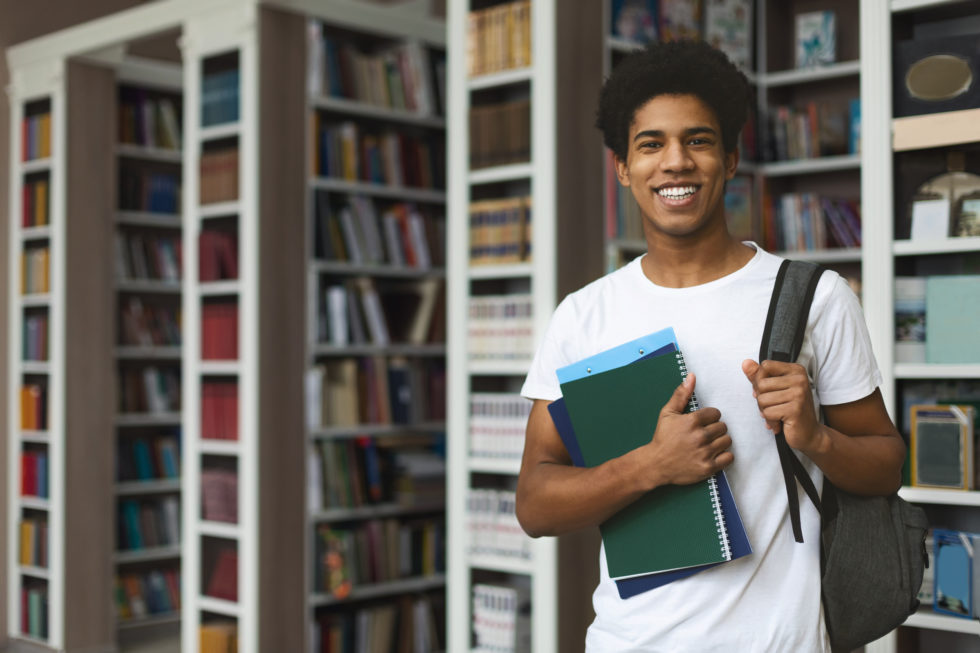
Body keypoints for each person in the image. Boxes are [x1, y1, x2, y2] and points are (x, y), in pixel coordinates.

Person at [515, 39, 906, 652]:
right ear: (623, 166)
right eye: (651, 144)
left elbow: (887, 463)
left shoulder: (814, 297)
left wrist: (815, 437)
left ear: (730, 158)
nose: (675, 162)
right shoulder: (583, 315)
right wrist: (652, 464)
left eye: (697, 140)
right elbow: (536, 505)